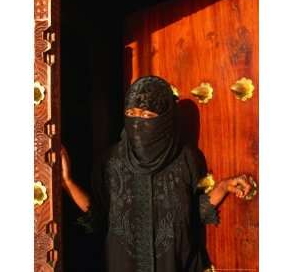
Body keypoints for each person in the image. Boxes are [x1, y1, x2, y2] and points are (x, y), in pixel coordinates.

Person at [61, 76, 251, 272]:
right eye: (131, 114)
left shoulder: (186, 159)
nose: (137, 123)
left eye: (146, 116)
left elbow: (194, 213)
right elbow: (98, 214)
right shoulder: (110, 161)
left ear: (164, 119)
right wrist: (67, 182)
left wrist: (223, 187)